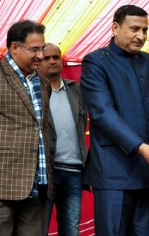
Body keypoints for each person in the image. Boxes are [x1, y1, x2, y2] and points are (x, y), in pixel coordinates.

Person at [80, 5, 149, 236]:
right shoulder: (96, 62)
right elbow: (103, 113)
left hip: (148, 171)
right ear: (115, 28)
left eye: (145, 30)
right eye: (135, 29)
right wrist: (141, 147)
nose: (141, 36)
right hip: (114, 172)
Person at [0, 20, 52, 236]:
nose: (40, 55)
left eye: (43, 48)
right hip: (3, 184)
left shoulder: (43, 82)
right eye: (34, 50)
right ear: (14, 47)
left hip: (38, 183)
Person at [39, 43, 88, 236]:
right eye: (46, 58)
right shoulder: (33, 91)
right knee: (39, 229)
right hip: (45, 173)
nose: (52, 61)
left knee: (71, 230)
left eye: (55, 57)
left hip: (74, 172)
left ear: (62, 61)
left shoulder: (76, 90)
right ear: (38, 62)